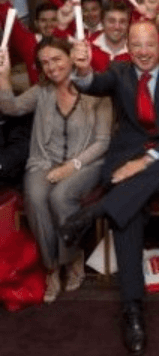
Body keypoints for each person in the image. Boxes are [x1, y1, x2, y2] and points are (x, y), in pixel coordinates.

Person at [59, 21, 159, 355]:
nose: (143, 52)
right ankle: (132, 309)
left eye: (149, 44)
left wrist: (144, 162)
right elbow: (92, 82)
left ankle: (97, 211)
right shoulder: (118, 72)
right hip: (125, 160)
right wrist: (82, 69)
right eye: (136, 45)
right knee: (127, 215)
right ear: (128, 48)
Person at [0, 37, 112, 303]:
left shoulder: (98, 90)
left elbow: (103, 142)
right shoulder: (42, 92)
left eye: (57, 59)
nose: (51, 67)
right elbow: (11, 107)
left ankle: (71, 257)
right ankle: (51, 267)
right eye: (45, 63)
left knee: (60, 197)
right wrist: (3, 77)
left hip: (86, 162)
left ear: (72, 57)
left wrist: (71, 166)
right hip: (43, 162)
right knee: (36, 197)